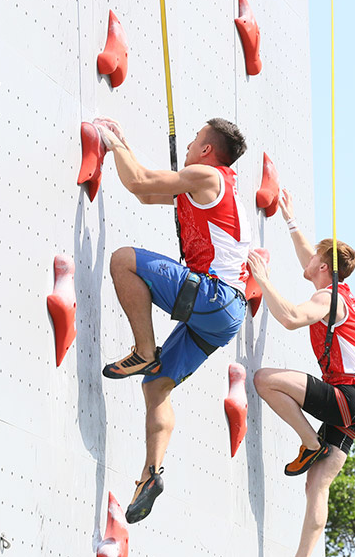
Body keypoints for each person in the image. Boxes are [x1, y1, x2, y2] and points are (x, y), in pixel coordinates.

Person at [93, 116, 250, 524]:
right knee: (157, 386)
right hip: (221, 318)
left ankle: (144, 350)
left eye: (195, 138)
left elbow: (139, 181)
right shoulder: (213, 188)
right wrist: (125, 153)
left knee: (124, 261)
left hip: (214, 296)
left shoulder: (205, 175)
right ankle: (151, 474)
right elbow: (146, 195)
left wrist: (113, 141)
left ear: (206, 150)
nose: (189, 145)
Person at [246, 189, 355, 557]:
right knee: (316, 485)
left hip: (346, 396)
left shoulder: (327, 299)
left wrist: (263, 279)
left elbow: (290, 318)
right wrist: (290, 218)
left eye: (316, 256)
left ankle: (310, 442)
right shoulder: (336, 289)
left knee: (264, 380)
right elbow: (308, 257)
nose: (310, 258)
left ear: (323, 267)